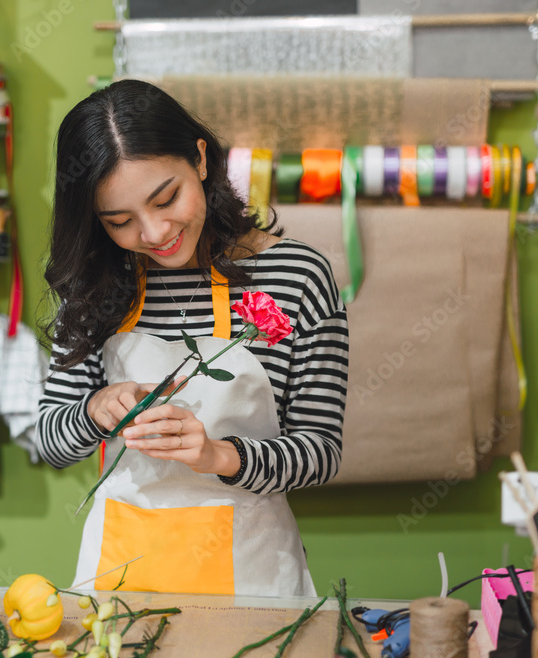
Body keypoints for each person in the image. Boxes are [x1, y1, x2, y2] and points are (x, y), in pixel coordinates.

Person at [36, 79, 349, 598]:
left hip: (254, 572)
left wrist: (218, 456)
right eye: (120, 220)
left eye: (167, 199)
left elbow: (320, 452)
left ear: (201, 159)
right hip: (122, 571)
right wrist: (96, 410)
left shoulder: (296, 276)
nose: (155, 233)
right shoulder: (96, 280)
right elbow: (52, 442)